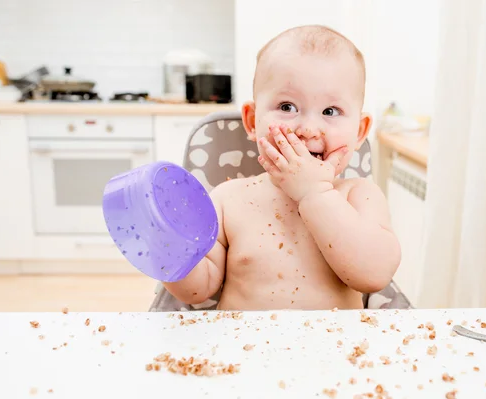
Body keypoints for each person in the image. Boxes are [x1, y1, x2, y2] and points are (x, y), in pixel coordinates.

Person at [163, 25, 401, 310]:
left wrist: (316, 194)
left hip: (336, 352)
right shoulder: (228, 199)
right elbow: (198, 290)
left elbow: (374, 276)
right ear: (252, 122)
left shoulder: (359, 196)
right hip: (242, 350)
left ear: (359, 132)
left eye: (330, 111)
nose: (308, 129)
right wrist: (171, 252)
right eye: (287, 107)